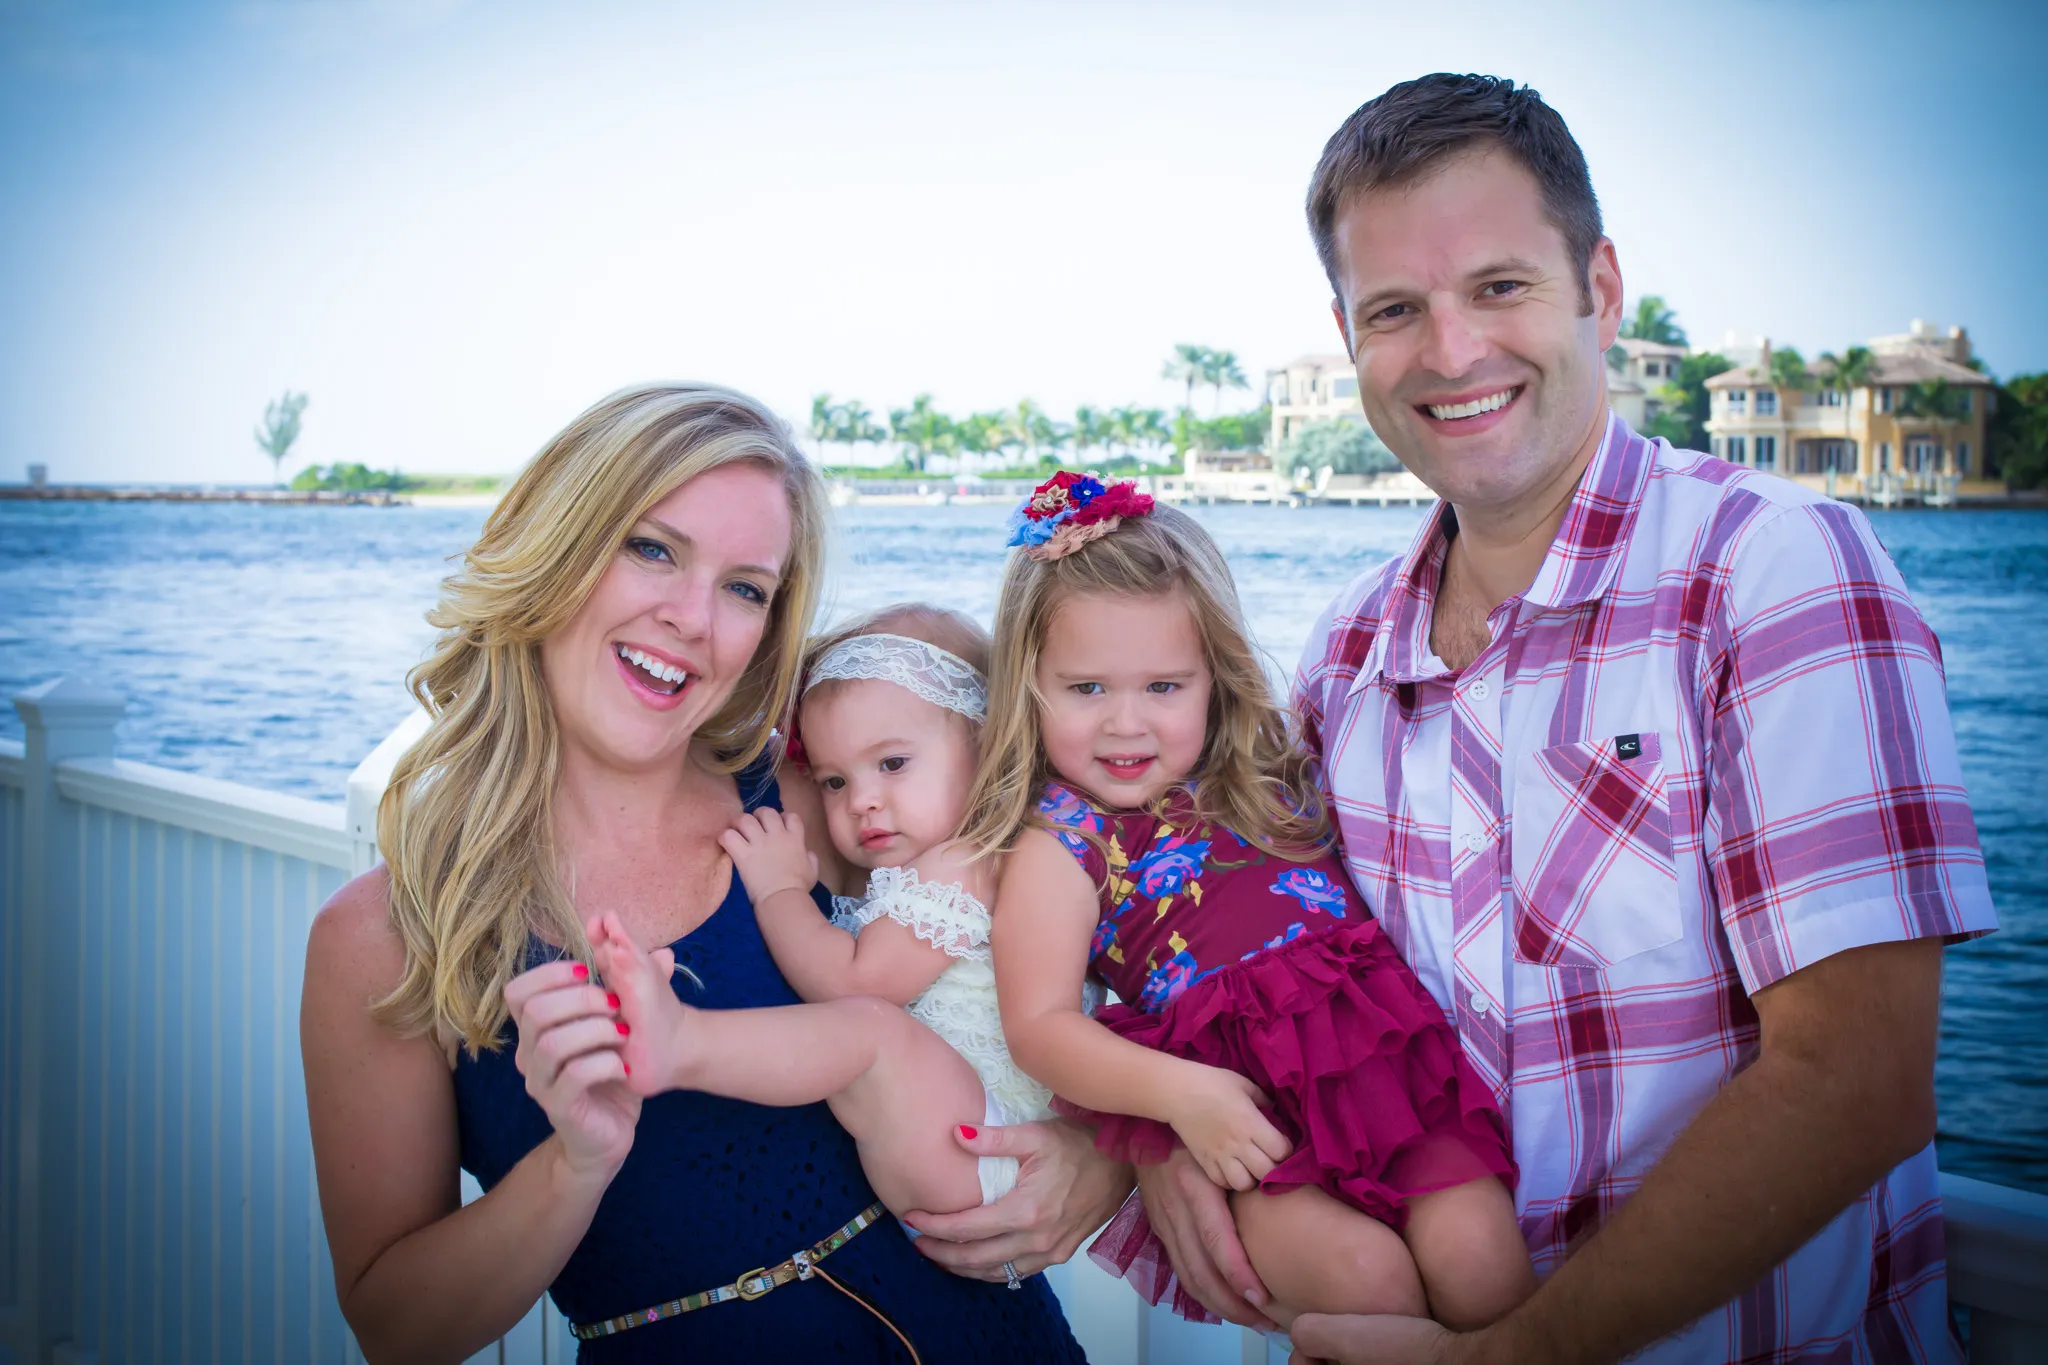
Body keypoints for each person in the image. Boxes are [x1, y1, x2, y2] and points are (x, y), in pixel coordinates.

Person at [1137, 75, 1999, 1365]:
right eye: (1393, 311)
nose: (1448, 350)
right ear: (1346, 333)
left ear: (1597, 288)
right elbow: (1259, 961)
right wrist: (1159, 1137)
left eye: (1497, 286)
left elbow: (1855, 1082)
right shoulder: (1346, 654)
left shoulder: (1772, 572)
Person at [300, 385, 1123, 1364]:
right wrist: (575, 1164)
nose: (692, 618)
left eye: (744, 588)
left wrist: (1109, 1157)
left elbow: (1124, 941)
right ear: (553, 548)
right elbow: (398, 1330)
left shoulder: (810, 800)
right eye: (651, 548)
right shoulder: (386, 936)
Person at [961, 471, 1535, 1332]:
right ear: (1029, 684)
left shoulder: (1267, 772)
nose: (1127, 724)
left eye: (1164, 686)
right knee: (1365, 1279)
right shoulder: (1063, 841)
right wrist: (1181, 1098)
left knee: (1483, 1266)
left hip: (1390, 1076)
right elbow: (1040, 1025)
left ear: (1215, 678)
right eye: (1087, 689)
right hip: (1243, 1112)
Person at [592, 603, 1093, 1244]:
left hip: (989, 1146)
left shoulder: (969, 860)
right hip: (959, 1143)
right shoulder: (944, 857)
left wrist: (778, 891)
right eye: (833, 781)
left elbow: (855, 983)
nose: (862, 801)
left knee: (868, 1030)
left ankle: (683, 1043)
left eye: (892, 764)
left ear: (989, 746)